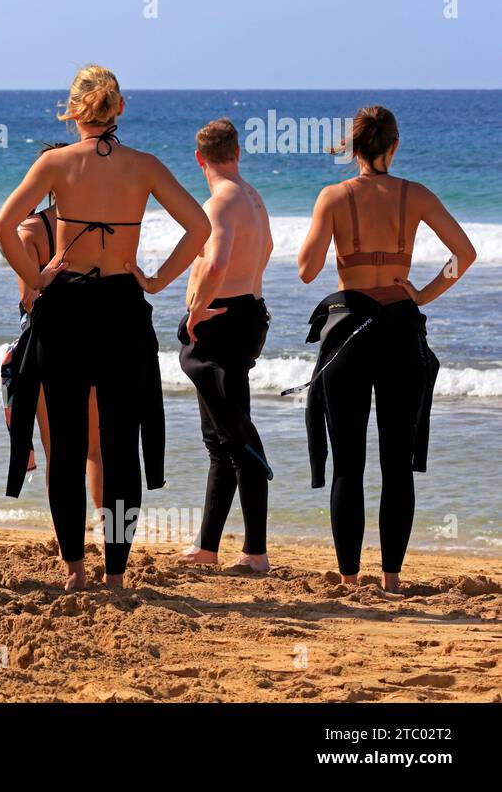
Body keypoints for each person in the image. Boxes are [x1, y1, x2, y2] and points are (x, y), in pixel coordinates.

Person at [0, 65, 209, 589]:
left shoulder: (55, 163)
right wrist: (156, 281)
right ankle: (115, 575)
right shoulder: (145, 165)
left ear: (72, 110)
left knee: (66, 449)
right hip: (121, 310)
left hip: (66, 310)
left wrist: (37, 279)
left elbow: (3, 225)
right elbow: (200, 227)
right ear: (120, 108)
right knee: (119, 449)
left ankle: (74, 569)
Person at [295, 105, 474, 592]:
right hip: (399, 331)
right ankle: (392, 579)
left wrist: (329, 231)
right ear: (394, 146)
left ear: (353, 148)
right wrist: (424, 294)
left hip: (349, 335)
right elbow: (465, 254)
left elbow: (307, 271)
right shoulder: (416, 195)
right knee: (396, 465)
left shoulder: (333, 196)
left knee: (348, 465)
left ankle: (350, 579)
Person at [173, 119, 274, 571]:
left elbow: (215, 263)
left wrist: (197, 309)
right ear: (237, 152)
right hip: (248, 312)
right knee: (220, 439)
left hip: (223, 322)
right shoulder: (252, 197)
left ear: (199, 158)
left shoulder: (219, 203)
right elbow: (265, 248)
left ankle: (255, 553)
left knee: (237, 437)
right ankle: (208, 547)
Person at [13, 173, 105, 511]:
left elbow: (28, 300)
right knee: (95, 448)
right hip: (93, 338)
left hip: (48, 344)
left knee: (59, 450)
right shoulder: (100, 225)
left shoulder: (30, 230)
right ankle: (105, 526)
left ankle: (69, 532)